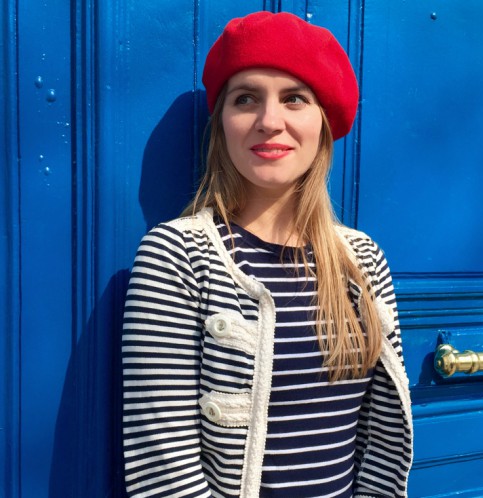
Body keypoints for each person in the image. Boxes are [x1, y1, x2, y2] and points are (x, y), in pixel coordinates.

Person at [122, 11, 413, 498]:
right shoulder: (178, 255)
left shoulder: (362, 260)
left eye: (294, 99)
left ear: (322, 121)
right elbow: (163, 472)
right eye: (246, 99)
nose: (270, 121)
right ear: (223, 125)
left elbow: (381, 439)